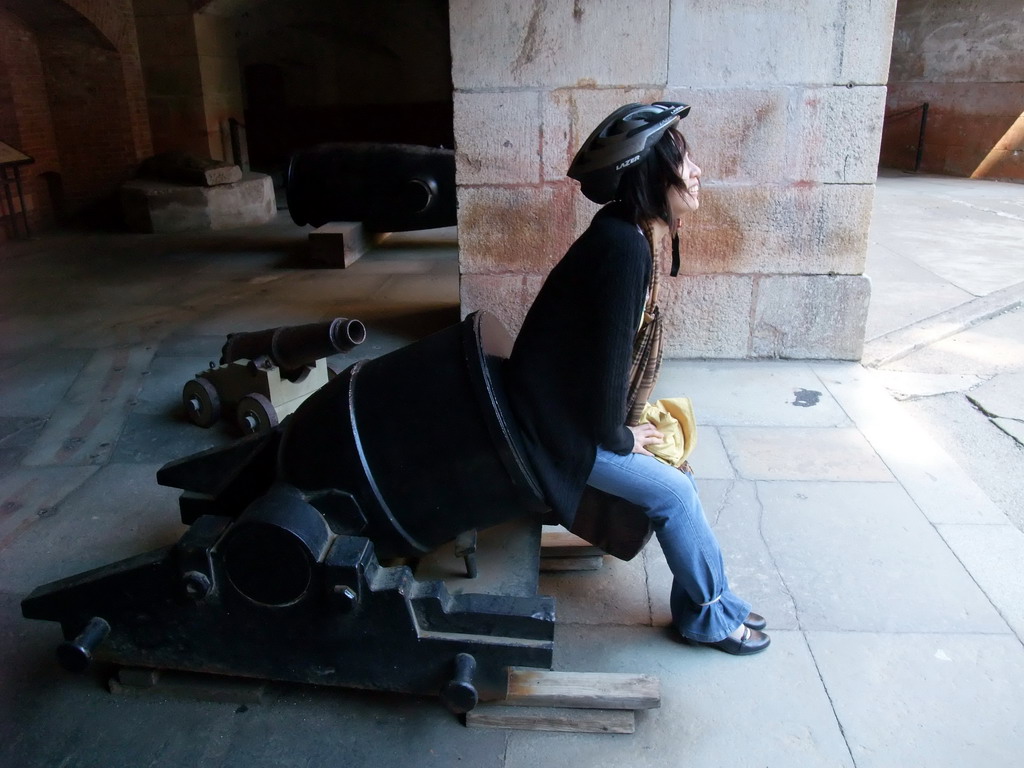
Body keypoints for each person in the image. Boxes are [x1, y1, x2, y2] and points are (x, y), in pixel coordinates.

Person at [506, 102, 769, 655]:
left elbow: (602, 363)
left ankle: (707, 604)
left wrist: (627, 427)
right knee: (675, 492)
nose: (696, 172)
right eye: (684, 161)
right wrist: (624, 437)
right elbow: (605, 377)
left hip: (560, 416)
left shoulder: (623, 234)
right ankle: (711, 617)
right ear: (651, 174)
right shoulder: (623, 248)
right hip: (551, 434)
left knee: (679, 481)